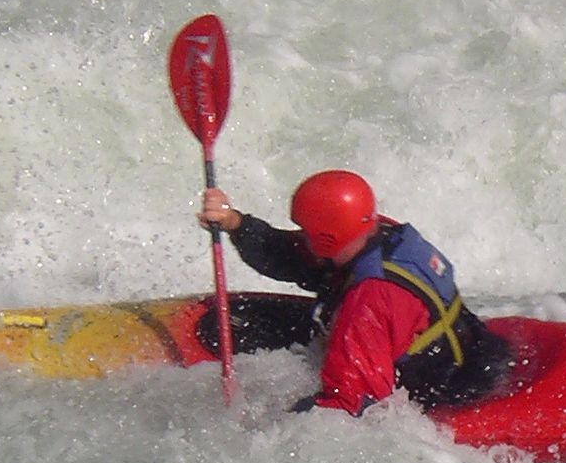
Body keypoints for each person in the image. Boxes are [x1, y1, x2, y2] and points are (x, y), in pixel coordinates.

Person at [197, 170, 510, 415]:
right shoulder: (375, 234)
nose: (303, 237)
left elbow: (351, 405)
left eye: (307, 232)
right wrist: (235, 223)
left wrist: (270, 425)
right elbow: (289, 258)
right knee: (239, 323)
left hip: (441, 390)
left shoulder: (369, 300)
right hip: (460, 352)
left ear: (327, 237)